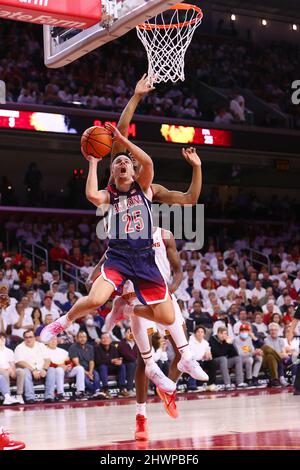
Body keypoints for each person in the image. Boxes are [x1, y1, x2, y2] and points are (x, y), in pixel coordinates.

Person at [45, 336, 86, 402]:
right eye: (51, 339)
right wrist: (60, 366)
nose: (53, 341)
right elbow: (47, 363)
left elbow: (69, 361)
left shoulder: (62, 351)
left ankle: (80, 392)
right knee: (59, 369)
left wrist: (69, 366)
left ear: (57, 341)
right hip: (54, 372)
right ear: (47, 342)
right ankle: (60, 394)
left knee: (80, 368)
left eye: (54, 339)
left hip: (66, 371)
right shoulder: (44, 350)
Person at [94, 333, 129, 398]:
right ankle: (105, 389)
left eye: (107, 338)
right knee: (103, 366)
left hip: (112, 367)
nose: (105, 340)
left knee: (122, 366)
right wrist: (111, 361)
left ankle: (122, 389)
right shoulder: (97, 348)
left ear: (110, 340)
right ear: (100, 340)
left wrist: (119, 361)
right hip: (101, 369)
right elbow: (98, 362)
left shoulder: (114, 348)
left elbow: (117, 358)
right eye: (103, 338)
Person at [187, 326, 218, 392]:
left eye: (202, 332)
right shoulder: (190, 342)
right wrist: (203, 356)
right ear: (195, 333)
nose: (200, 333)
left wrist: (208, 356)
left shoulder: (205, 343)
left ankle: (211, 384)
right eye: (198, 332)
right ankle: (199, 385)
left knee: (213, 362)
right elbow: (192, 356)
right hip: (194, 362)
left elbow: (209, 354)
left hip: (203, 361)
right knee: (198, 362)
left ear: (204, 334)